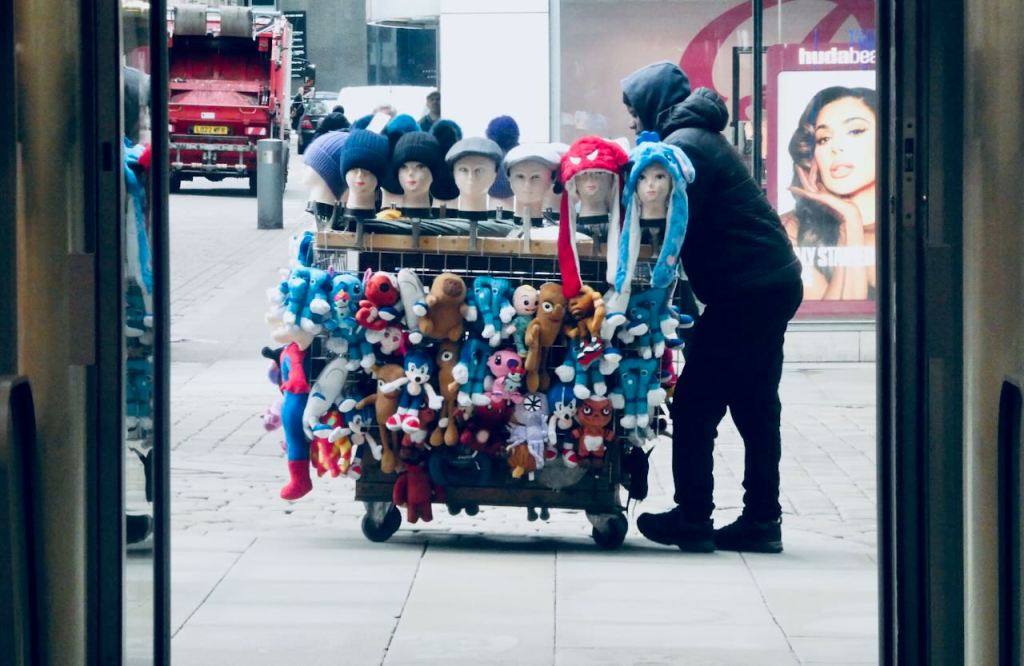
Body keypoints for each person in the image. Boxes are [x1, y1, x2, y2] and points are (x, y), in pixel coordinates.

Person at [621, 61, 803, 553]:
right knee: (755, 404)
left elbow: (658, 221)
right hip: (769, 281)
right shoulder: (697, 137)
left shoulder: (683, 148)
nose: (633, 123)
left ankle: (694, 517)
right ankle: (762, 520)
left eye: (633, 111)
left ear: (652, 104)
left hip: (746, 291)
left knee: (698, 402)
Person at [782, 86, 878, 301]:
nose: (836, 148)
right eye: (824, 139)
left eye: (855, 131)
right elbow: (835, 325)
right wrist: (850, 225)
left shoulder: (909, 228)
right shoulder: (792, 231)